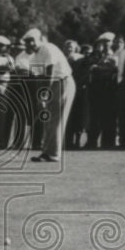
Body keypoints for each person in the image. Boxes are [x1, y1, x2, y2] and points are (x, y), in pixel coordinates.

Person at [22, 28, 75, 162]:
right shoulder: (33, 57)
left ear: (39, 40)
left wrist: (44, 95)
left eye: (32, 41)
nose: (30, 44)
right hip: (52, 85)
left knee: (56, 119)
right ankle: (46, 151)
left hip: (63, 82)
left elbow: (50, 73)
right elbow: (39, 79)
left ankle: (53, 154)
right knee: (48, 118)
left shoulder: (48, 48)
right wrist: (40, 99)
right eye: (27, 42)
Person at [86, 33, 119, 149]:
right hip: (96, 88)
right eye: (103, 42)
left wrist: (99, 69)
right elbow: (90, 68)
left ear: (112, 43)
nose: (105, 44)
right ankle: (92, 141)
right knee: (94, 116)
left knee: (109, 116)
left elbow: (115, 69)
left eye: (108, 42)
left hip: (109, 88)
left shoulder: (115, 56)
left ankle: (108, 142)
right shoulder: (95, 55)